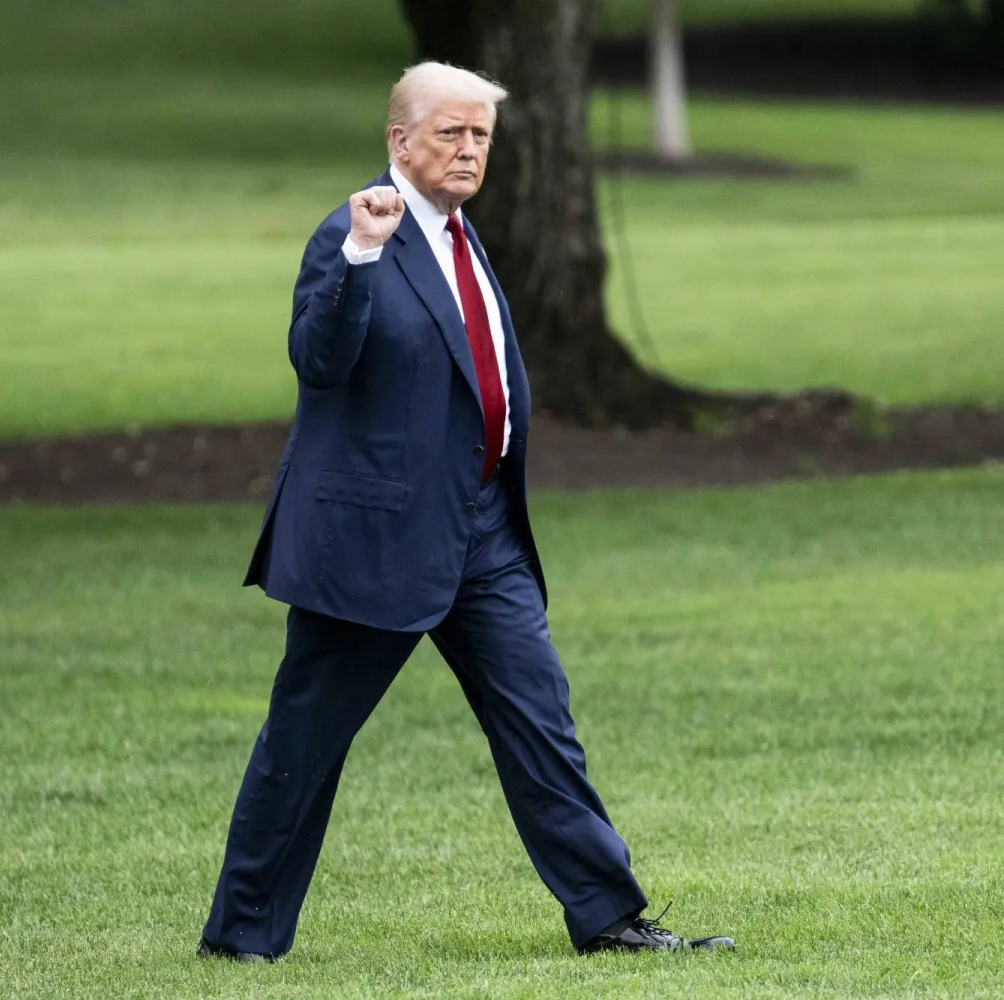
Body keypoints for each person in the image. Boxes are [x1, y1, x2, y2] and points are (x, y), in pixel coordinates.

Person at [198, 61, 732, 962]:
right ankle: (241, 937)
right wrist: (363, 256)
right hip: (374, 542)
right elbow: (319, 361)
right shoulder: (353, 232)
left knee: (541, 724)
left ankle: (608, 916)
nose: (469, 149)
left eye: (481, 134)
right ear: (399, 141)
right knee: (305, 741)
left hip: (481, 532)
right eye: (451, 132)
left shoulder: (460, 234)